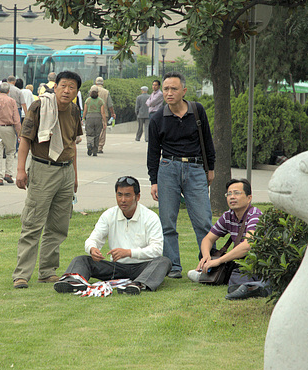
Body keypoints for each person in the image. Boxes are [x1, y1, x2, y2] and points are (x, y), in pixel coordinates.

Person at [12, 70, 83, 289]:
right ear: (56, 86)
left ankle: (48, 271)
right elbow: (25, 139)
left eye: (72, 87)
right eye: (63, 85)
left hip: (65, 171)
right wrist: (21, 170)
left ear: (77, 91)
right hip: (43, 169)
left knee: (59, 225)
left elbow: (72, 144)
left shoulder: (74, 110)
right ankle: (22, 274)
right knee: (33, 223)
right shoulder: (39, 106)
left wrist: (75, 176)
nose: (67, 90)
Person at [148, 71, 216, 279]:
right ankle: (173, 266)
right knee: (167, 222)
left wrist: (210, 168)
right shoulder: (157, 118)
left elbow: (207, 140)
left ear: (183, 91)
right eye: (166, 89)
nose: (169, 93)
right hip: (168, 169)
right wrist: (154, 181)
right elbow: (153, 152)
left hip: (196, 169)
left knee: (203, 221)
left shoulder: (197, 110)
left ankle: (209, 263)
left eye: (174, 89)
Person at [54, 176, 171, 295]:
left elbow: (156, 250)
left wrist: (129, 252)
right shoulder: (109, 215)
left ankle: (137, 285)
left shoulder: (150, 217)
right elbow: (93, 239)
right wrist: (92, 249)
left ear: (138, 197)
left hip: (142, 267)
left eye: (127, 195)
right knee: (81, 260)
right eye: (119, 195)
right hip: (115, 267)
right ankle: (72, 282)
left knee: (164, 261)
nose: (123, 200)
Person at [187, 178, 270, 300]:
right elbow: (208, 239)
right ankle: (214, 276)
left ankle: (253, 287)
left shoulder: (255, 215)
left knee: (238, 274)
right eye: (229, 194)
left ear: (249, 198)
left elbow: (248, 245)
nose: (232, 197)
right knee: (230, 269)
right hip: (240, 261)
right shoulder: (228, 216)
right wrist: (206, 256)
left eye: (237, 193)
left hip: (259, 263)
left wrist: (219, 261)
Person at [83, 85, 106, 156]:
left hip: (89, 117)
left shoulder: (88, 100)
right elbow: (103, 112)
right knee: (97, 135)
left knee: (89, 133)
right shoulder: (100, 101)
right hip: (98, 118)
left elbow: (85, 111)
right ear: (97, 92)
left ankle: (90, 144)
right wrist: (104, 122)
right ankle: (95, 151)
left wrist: (83, 118)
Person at [95, 76, 116, 154]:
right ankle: (99, 147)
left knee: (94, 130)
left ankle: (92, 145)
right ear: (103, 83)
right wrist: (112, 113)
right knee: (102, 130)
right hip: (104, 114)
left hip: (93, 113)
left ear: (96, 83)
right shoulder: (106, 92)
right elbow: (110, 104)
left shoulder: (92, 90)